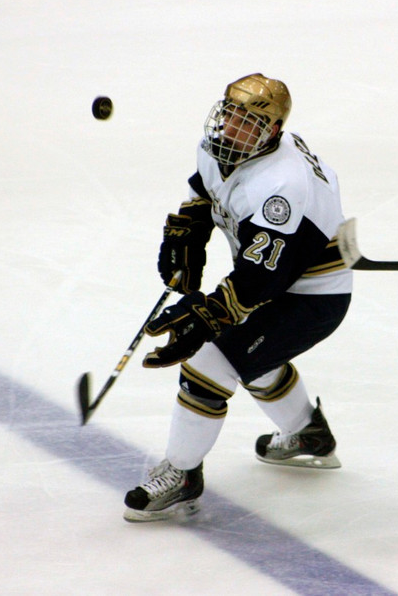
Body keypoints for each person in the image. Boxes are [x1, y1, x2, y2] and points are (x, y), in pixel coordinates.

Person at [122, 73, 353, 522]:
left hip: (312, 296)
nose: (231, 128)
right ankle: (308, 435)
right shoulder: (220, 148)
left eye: (247, 123)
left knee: (210, 362)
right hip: (277, 277)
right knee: (254, 355)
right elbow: (203, 187)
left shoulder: (279, 186)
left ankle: (183, 475)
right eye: (229, 115)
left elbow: (258, 282)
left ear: (271, 132)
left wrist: (208, 316)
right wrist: (186, 233)